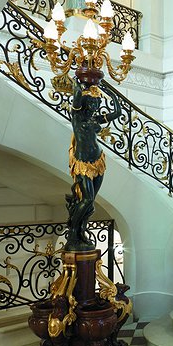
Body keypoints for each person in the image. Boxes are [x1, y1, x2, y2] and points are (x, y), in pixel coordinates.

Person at [65, 78, 122, 251]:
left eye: (97, 103)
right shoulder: (77, 117)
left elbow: (117, 112)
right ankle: (73, 232)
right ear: (85, 102)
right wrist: (78, 84)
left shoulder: (96, 118)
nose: (95, 106)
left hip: (98, 161)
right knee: (87, 199)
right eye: (92, 102)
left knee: (91, 202)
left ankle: (82, 230)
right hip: (83, 164)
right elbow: (76, 97)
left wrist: (110, 93)